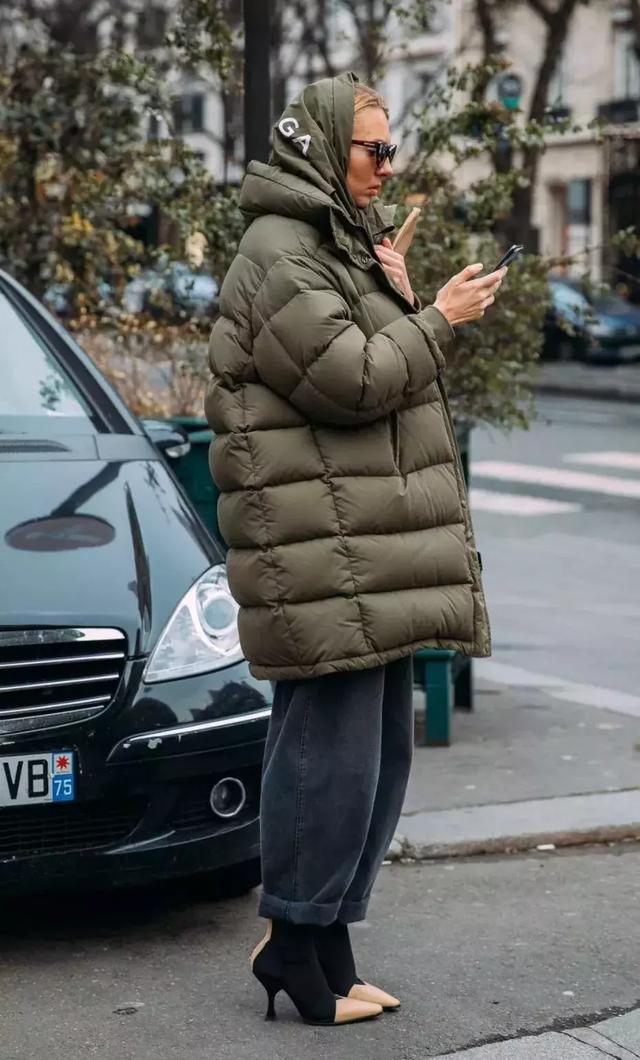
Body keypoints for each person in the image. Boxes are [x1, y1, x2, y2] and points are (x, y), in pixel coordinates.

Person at [205, 71, 503, 1028]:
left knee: (374, 757)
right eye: (373, 148)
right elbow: (354, 380)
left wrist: (397, 290)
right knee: (326, 757)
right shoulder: (279, 252)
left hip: (356, 543)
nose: (386, 165)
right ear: (325, 146)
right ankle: (293, 942)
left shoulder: (336, 245)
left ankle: (326, 945)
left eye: (390, 149)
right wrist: (434, 319)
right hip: (316, 550)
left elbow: (369, 359)